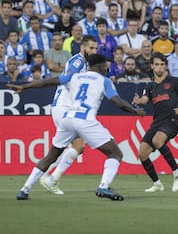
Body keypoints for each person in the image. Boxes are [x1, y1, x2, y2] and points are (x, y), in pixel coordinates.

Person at [12, 53, 145, 201]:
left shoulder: (74, 76)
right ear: (101, 66)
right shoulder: (104, 81)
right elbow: (117, 102)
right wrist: (135, 111)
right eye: (106, 66)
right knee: (115, 154)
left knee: (51, 156)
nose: (107, 69)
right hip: (85, 120)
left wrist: (25, 86)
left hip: (68, 119)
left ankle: (24, 190)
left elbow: (48, 82)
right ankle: (104, 186)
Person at [19, 36, 98, 195]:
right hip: (65, 108)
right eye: (91, 48)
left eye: (96, 48)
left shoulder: (84, 63)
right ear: (82, 48)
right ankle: (51, 179)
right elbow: (67, 79)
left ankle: (26, 188)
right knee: (77, 146)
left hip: (63, 108)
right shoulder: (78, 61)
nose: (94, 51)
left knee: (65, 150)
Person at [132, 52, 178, 192]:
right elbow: (145, 100)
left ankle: (177, 172)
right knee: (142, 153)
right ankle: (157, 184)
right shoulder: (150, 86)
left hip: (171, 120)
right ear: (152, 66)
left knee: (157, 140)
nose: (159, 68)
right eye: (157, 65)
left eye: (162, 65)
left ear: (165, 66)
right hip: (157, 122)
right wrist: (139, 101)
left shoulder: (174, 81)